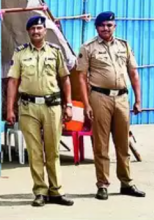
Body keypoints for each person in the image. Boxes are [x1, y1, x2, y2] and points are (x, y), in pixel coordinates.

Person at [77, 11, 145, 200]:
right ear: (96, 27)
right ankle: (103, 185)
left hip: (122, 98)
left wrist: (138, 100)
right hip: (100, 98)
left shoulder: (124, 45)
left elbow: (134, 74)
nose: (106, 28)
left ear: (114, 26)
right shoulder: (88, 47)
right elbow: (81, 78)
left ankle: (126, 182)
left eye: (109, 25)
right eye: (102, 25)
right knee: (101, 144)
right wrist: (86, 104)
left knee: (123, 143)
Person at [6, 15, 74, 207]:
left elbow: (65, 79)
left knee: (53, 151)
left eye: (39, 28)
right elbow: (13, 82)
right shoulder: (20, 54)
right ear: (28, 32)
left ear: (45, 31)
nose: (36, 32)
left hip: (52, 106)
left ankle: (56, 191)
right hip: (28, 107)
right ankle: (40, 191)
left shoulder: (55, 52)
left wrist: (68, 104)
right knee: (35, 151)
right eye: (32, 29)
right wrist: (10, 109)